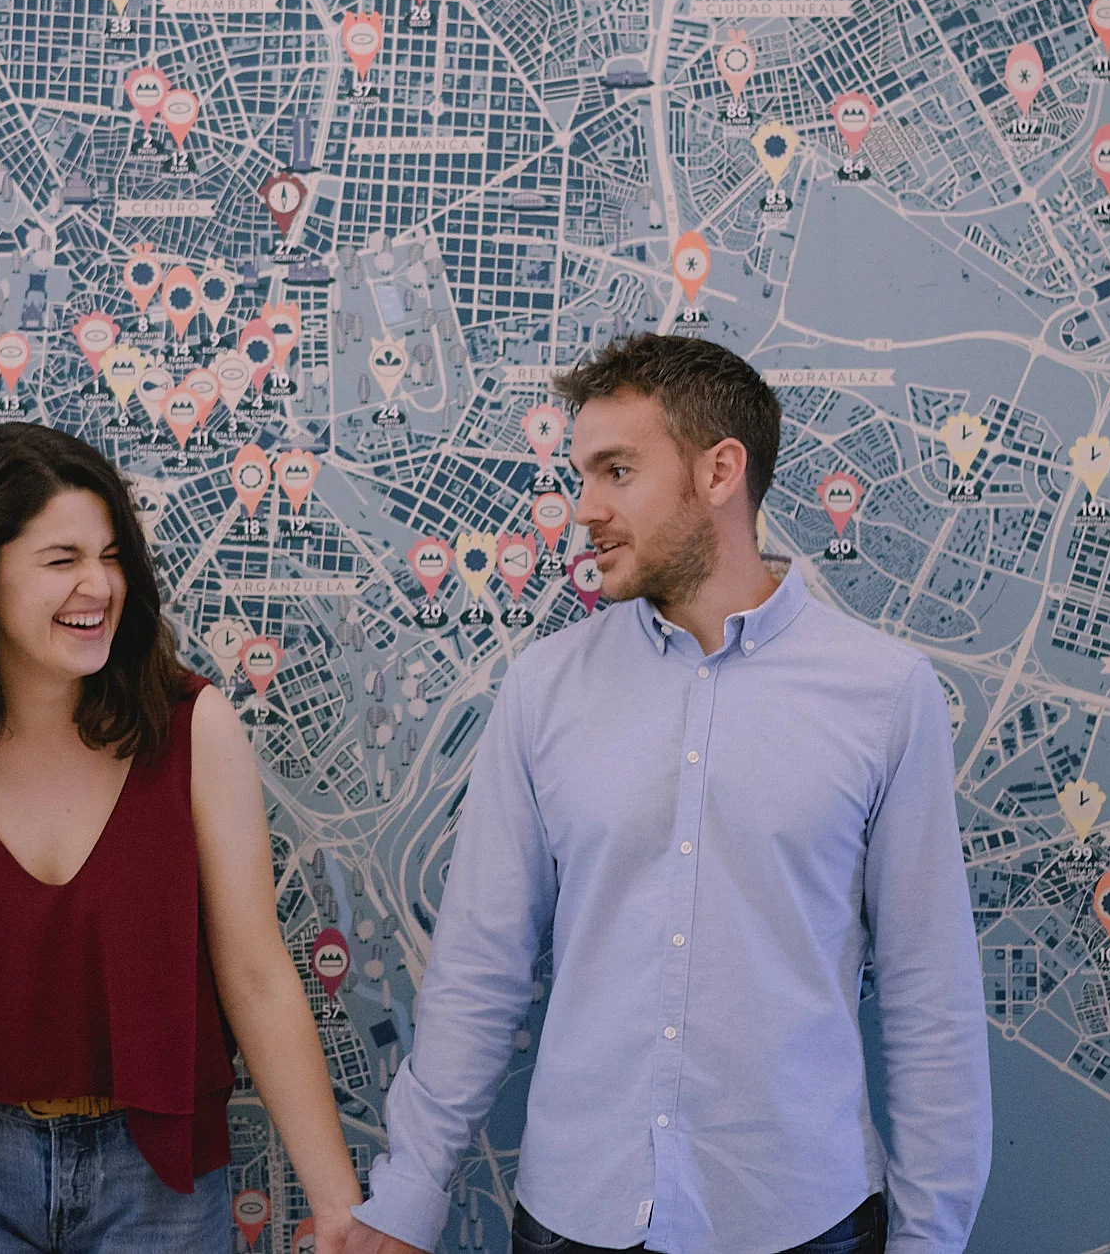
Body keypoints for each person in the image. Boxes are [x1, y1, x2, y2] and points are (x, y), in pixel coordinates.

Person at [350, 334, 992, 1254]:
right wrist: (407, 1196)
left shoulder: (886, 695)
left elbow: (933, 1005)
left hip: (801, 1218)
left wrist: (930, 1243)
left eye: (617, 470)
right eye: (581, 474)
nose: (584, 510)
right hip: (577, 1215)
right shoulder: (544, 690)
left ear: (720, 470)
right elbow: (479, 973)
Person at [0, 422, 363, 1253]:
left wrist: (338, 1209)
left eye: (110, 556)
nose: (99, 586)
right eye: (62, 559)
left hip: (156, 1179)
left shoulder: (194, 728)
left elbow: (256, 976)